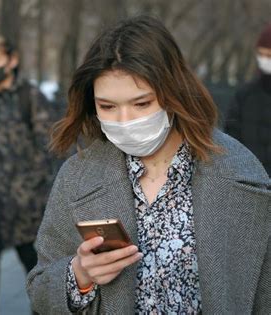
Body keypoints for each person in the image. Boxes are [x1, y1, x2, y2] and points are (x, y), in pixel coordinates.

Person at [27, 16, 270, 314]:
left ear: (173, 94)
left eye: (142, 103)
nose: (125, 121)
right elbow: (39, 288)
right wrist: (80, 275)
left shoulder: (241, 174)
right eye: (108, 106)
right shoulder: (77, 177)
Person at [0, 36, 53, 315]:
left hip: (26, 205)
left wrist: (29, 191)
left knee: (32, 264)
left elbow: (48, 149)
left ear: (12, 61)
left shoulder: (29, 97)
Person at [225, 23, 271, 176]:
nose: (264, 60)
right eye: (261, 54)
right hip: (253, 183)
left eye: (269, 56)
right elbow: (231, 140)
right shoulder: (245, 95)